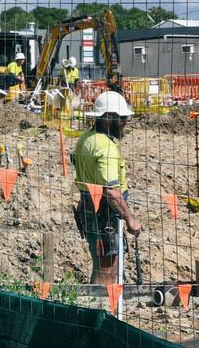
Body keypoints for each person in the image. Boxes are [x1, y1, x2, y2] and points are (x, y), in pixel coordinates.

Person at [72, 91, 142, 285]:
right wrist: (130, 219)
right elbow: (110, 191)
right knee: (108, 269)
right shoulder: (106, 148)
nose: (126, 122)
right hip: (105, 214)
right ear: (108, 118)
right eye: (122, 118)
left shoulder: (87, 138)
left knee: (100, 263)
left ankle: (97, 305)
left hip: (89, 207)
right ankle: (102, 308)